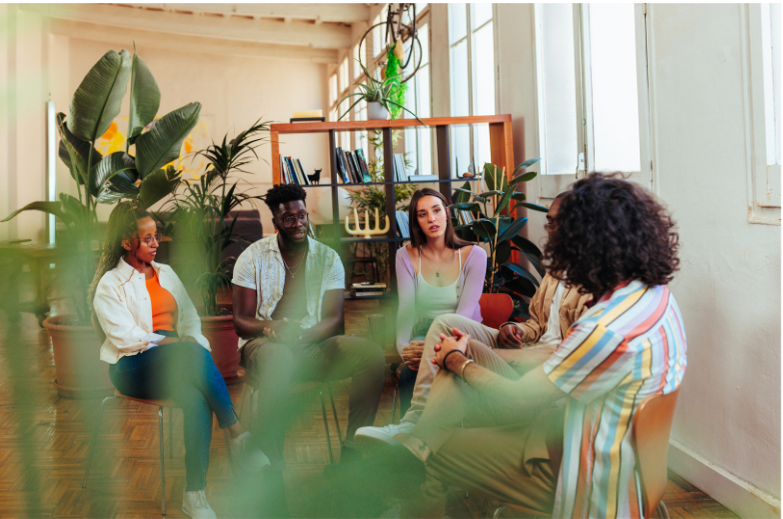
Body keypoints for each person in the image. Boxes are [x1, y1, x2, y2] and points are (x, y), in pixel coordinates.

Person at [340, 173, 687, 519]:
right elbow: (538, 330)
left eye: (561, 233)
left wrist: (460, 362)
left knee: (435, 448)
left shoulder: (604, 329)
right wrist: (482, 347)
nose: (552, 241)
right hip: (604, 450)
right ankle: (415, 442)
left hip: (584, 475)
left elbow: (520, 397)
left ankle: (414, 453)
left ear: (588, 243)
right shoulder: (657, 299)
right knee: (433, 422)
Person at [355, 192, 591, 448]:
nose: (548, 229)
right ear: (415, 221)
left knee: (448, 337)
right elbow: (536, 325)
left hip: (522, 357)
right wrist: (514, 328)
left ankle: (416, 431)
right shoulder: (555, 272)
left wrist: (459, 352)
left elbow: (569, 353)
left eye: (554, 223)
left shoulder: (593, 284)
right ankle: (412, 425)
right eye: (422, 214)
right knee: (443, 324)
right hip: (507, 343)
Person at [91, 201, 268, 519]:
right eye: (148, 238)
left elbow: (189, 321)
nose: (156, 243)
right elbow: (126, 338)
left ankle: (194, 495)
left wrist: (189, 345)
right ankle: (239, 434)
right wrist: (176, 344)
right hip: (133, 365)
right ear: (126, 241)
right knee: (189, 351)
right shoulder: (109, 285)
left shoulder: (166, 274)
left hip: (178, 358)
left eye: (156, 236)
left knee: (196, 398)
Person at [231, 184, 385, 514]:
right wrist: (272, 328)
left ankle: (351, 455)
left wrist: (302, 336)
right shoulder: (252, 257)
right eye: (289, 219)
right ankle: (272, 469)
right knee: (280, 358)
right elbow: (242, 321)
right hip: (265, 345)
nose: (298, 223)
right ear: (276, 221)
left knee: (369, 355)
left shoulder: (327, 258)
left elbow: (333, 320)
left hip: (312, 342)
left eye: (302, 215)